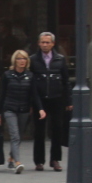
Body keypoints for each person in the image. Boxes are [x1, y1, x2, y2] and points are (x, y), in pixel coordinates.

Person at [0, 49, 45, 174]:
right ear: (14, 61)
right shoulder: (7, 75)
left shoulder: (30, 76)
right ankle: (17, 162)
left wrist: (40, 109)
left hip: (24, 109)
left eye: (24, 59)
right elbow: (2, 95)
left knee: (19, 135)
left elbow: (34, 94)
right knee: (15, 135)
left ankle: (11, 158)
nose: (22, 61)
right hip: (9, 108)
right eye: (19, 59)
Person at [29, 31, 70, 171]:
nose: (45, 45)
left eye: (48, 42)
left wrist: (68, 100)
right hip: (40, 100)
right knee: (39, 131)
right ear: (39, 43)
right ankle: (39, 161)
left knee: (57, 129)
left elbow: (66, 81)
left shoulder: (60, 59)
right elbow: (31, 83)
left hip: (56, 98)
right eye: (42, 42)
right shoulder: (33, 59)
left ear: (53, 44)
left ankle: (55, 159)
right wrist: (32, 103)